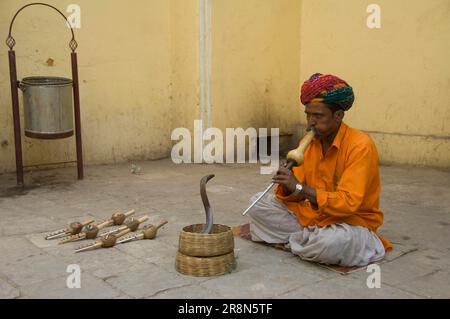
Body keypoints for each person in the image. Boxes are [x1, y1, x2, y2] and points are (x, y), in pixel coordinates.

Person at [247, 73, 392, 267]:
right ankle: (307, 241)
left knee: (333, 242)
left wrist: (298, 187)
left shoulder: (360, 145)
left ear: (338, 115)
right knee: (258, 204)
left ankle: (308, 241)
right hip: (313, 217)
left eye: (318, 116)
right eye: (308, 115)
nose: (310, 122)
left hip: (350, 222)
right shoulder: (308, 143)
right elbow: (295, 197)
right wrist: (288, 184)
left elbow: (348, 203)